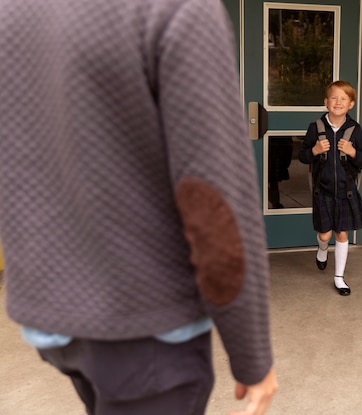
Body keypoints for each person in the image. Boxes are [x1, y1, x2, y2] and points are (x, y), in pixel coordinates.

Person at [0, 1, 277, 414]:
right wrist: (252, 355)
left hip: (50, 314)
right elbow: (214, 199)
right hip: (147, 328)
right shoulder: (177, 9)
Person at [299, 80, 362, 296]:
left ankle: (339, 277)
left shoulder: (355, 130)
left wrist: (352, 152)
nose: (338, 102)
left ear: (351, 104)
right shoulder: (316, 128)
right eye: (333, 97)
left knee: (341, 234)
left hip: (346, 192)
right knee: (325, 234)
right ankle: (322, 249)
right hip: (323, 191)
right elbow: (302, 156)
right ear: (325, 102)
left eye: (343, 98)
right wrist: (314, 149)